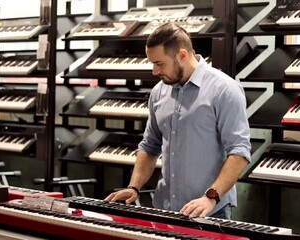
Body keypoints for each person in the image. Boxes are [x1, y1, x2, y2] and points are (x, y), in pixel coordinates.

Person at [104, 22, 251, 220]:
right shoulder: (158, 92)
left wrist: (210, 197)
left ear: (182, 55)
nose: (155, 72)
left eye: (160, 64)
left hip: (209, 211)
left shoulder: (225, 89)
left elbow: (239, 152)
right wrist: (134, 187)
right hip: (164, 208)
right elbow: (149, 146)